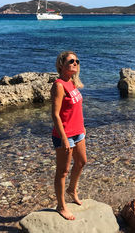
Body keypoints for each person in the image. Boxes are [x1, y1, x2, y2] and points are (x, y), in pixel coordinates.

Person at [51, 51, 87, 220]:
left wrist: (82, 127)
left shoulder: (72, 82)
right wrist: (64, 138)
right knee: (63, 171)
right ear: (61, 65)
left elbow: (77, 109)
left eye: (76, 61)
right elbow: (55, 115)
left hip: (78, 132)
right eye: (71, 61)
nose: (75, 63)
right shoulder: (59, 85)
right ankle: (61, 206)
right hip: (64, 135)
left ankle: (72, 189)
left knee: (81, 162)